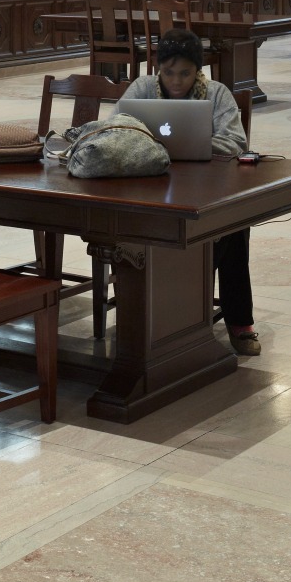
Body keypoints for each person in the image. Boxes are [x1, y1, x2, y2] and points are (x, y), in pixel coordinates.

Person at [120, 29, 258, 357]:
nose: (177, 81)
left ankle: (238, 320)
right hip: (151, 183)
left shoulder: (216, 93)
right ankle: (161, 311)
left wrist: (193, 144)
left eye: (185, 73)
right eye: (168, 73)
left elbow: (236, 142)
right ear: (157, 69)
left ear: (198, 70)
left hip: (205, 185)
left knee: (234, 226)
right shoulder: (141, 89)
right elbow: (119, 128)